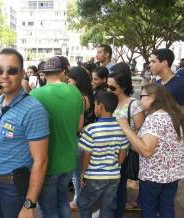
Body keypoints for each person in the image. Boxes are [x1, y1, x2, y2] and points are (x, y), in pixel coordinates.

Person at [0, 48, 50, 218]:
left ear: (22, 73)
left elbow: (41, 161)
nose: (4, 75)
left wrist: (29, 204)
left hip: (14, 189)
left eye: (12, 70)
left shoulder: (33, 110)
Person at [118, 84, 184, 218]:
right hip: (172, 175)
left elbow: (146, 151)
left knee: (149, 209)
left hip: (153, 177)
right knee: (167, 207)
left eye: (142, 96)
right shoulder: (174, 116)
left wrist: (126, 128)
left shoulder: (154, 119)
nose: (139, 99)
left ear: (152, 98)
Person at [30, 56, 84, 218]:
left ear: (44, 74)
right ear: (62, 72)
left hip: (47, 162)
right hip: (68, 159)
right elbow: (79, 127)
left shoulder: (35, 94)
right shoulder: (75, 91)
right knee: (62, 201)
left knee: (48, 209)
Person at [77, 91, 129, 217]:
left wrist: (82, 173)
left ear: (100, 106)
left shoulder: (91, 129)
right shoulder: (122, 129)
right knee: (108, 207)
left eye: (95, 105)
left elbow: (86, 155)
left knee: (84, 204)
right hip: (114, 176)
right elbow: (122, 157)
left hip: (94, 176)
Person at [107, 63, 145, 217]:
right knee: (108, 186)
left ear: (123, 87)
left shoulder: (134, 105)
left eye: (112, 87)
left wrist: (125, 131)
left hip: (124, 153)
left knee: (120, 186)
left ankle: (117, 213)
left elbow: (141, 132)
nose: (109, 90)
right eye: (107, 86)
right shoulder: (108, 100)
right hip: (106, 151)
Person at [67, 66, 95, 211]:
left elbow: (78, 123)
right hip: (85, 139)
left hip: (81, 139)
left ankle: (78, 201)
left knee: (77, 175)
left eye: (70, 80)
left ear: (77, 81)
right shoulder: (86, 95)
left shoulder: (80, 98)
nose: (68, 83)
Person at [149, 48, 184, 113]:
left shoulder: (180, 86)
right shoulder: (157, 83)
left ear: (164, 62)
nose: (150, 65)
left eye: (153, 62)